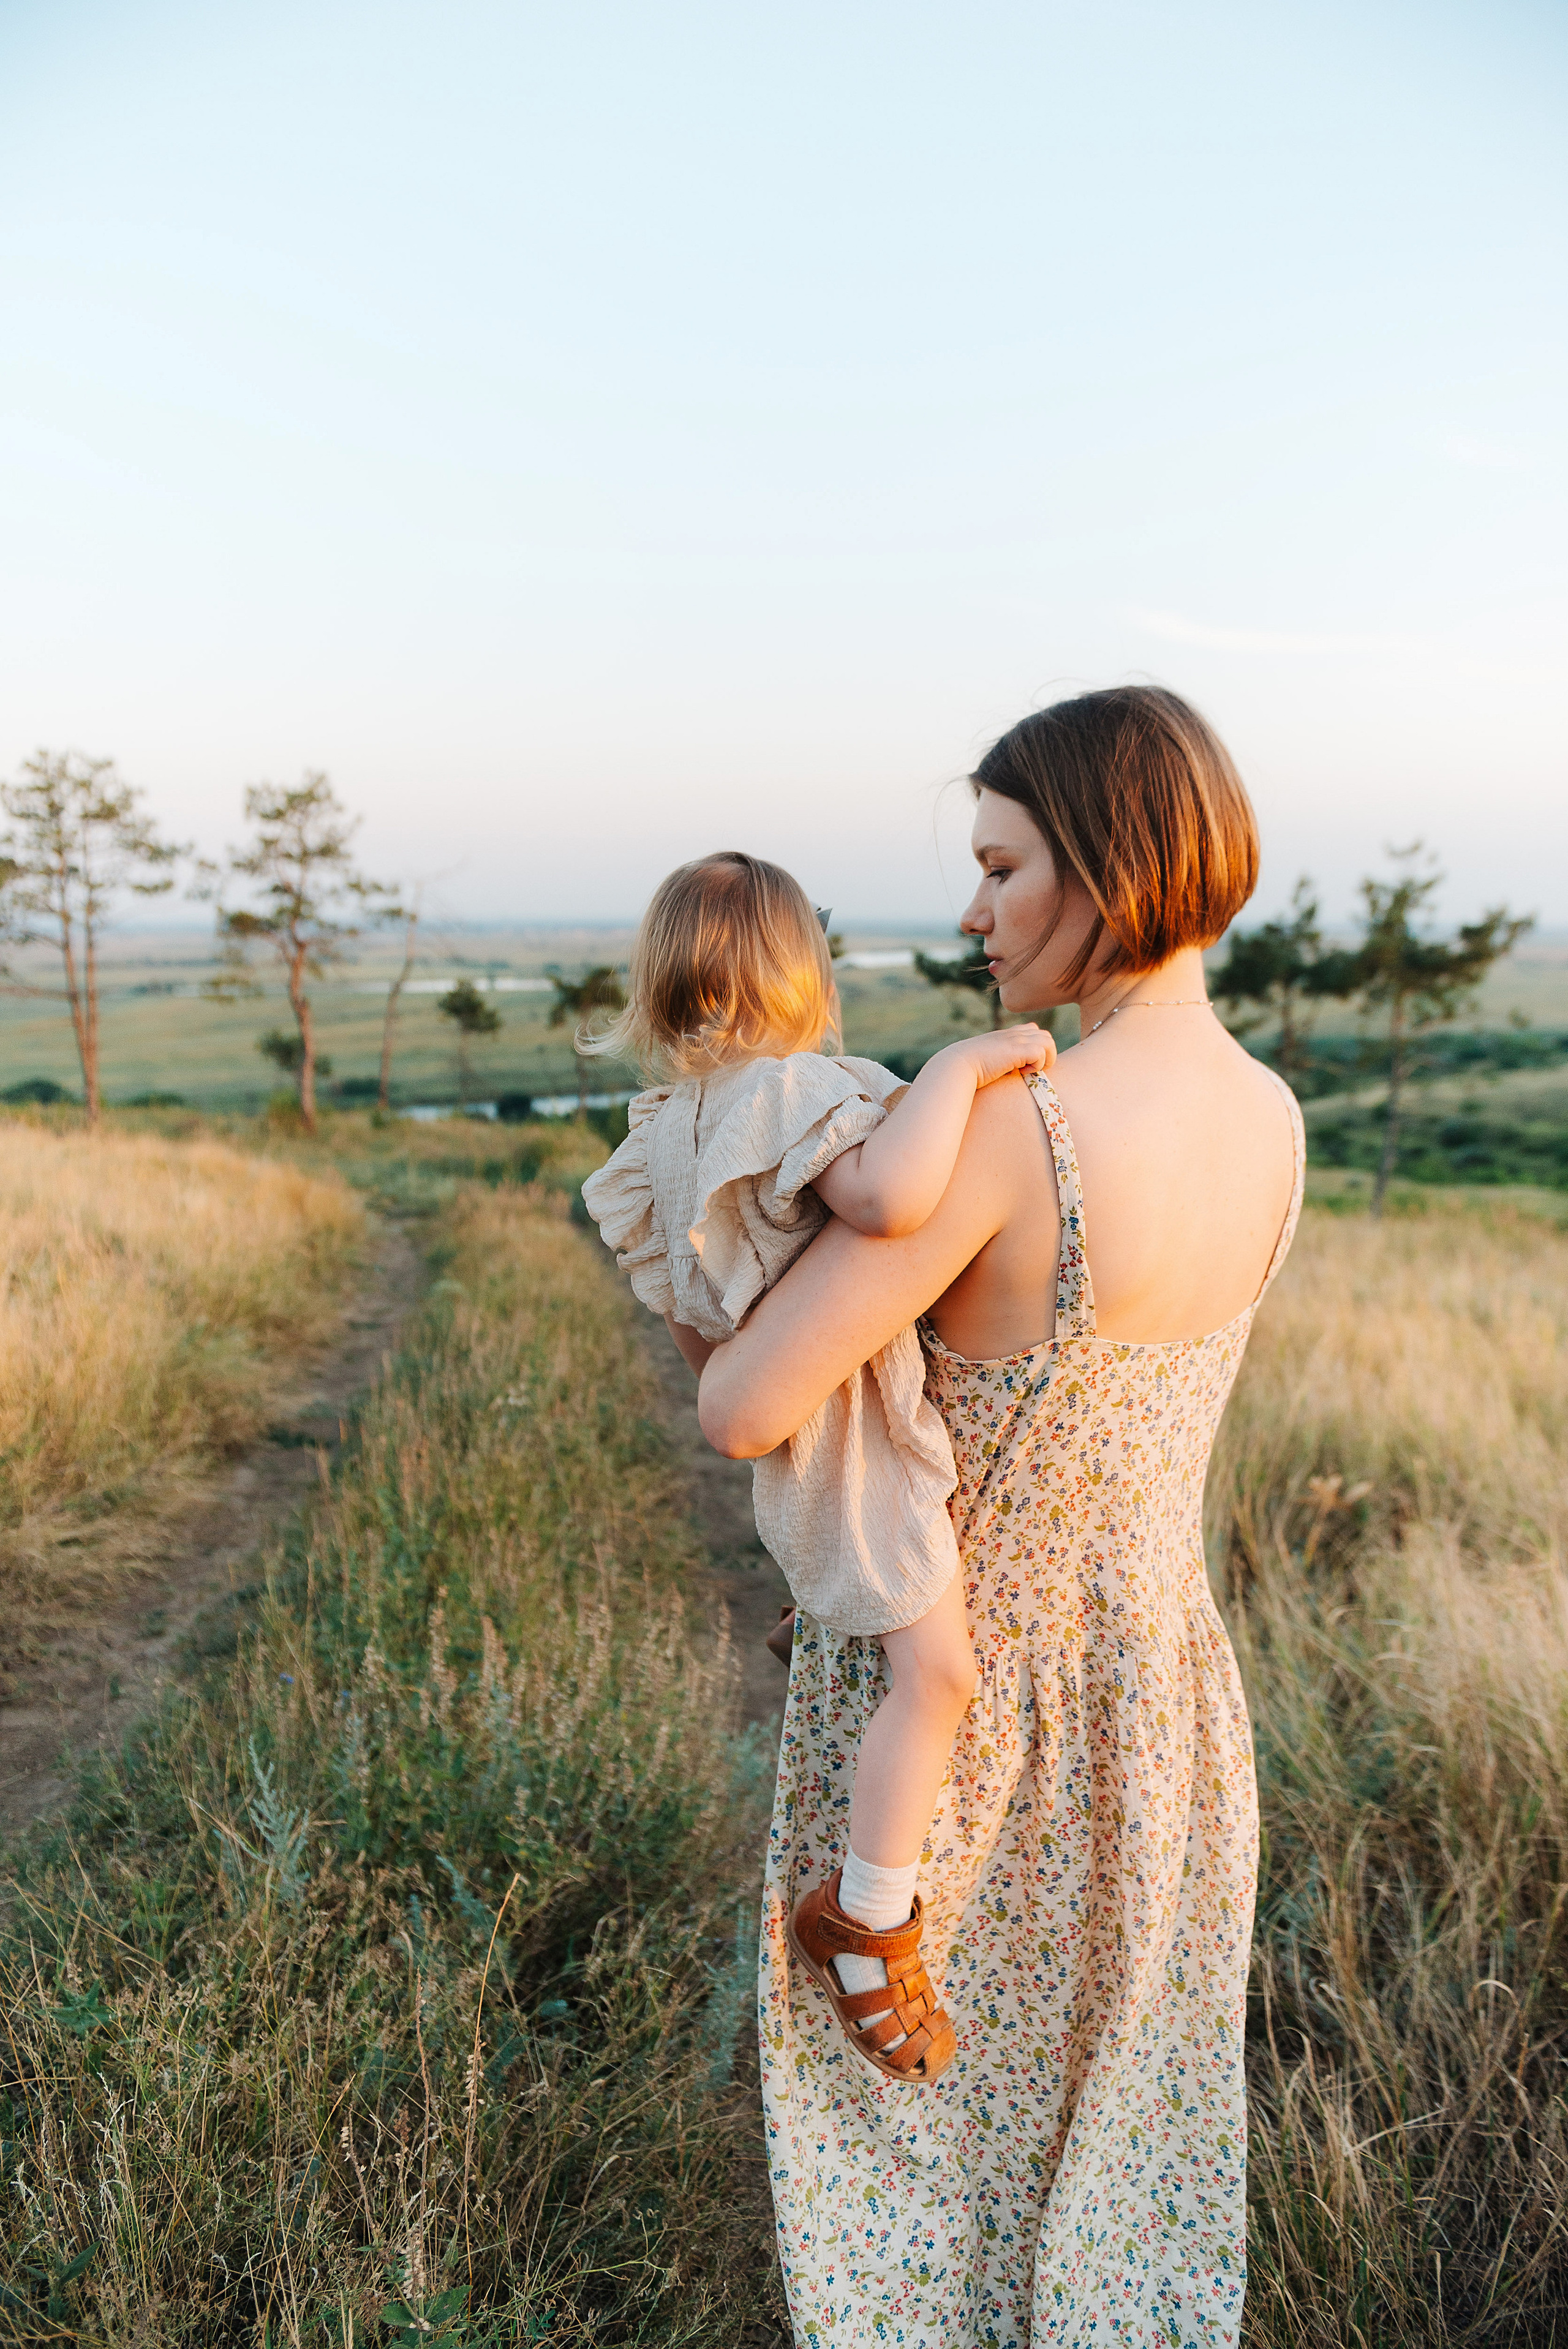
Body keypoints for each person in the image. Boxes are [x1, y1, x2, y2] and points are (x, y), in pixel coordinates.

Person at [696, 687, 1303, 2347]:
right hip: (1163, 1700)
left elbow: (751, 1403)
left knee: (913, 2155)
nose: (972, 914)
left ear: (1108, 865)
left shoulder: (1015, 1135)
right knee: (1116, 2150)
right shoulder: (1274, 1119)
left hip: (972, 1720)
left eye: (1000, 866)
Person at [579, 851, 1055, 2082]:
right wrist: (961, 1063)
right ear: (801, 971)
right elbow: (893, 1198)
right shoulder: (793, 1091)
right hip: (852, 1432)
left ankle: (822, 1604)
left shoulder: (658, 1137)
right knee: (938, 1676)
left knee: (887, 1624)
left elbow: (697, 1336)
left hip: (793, 1447)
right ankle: (868, 1917)